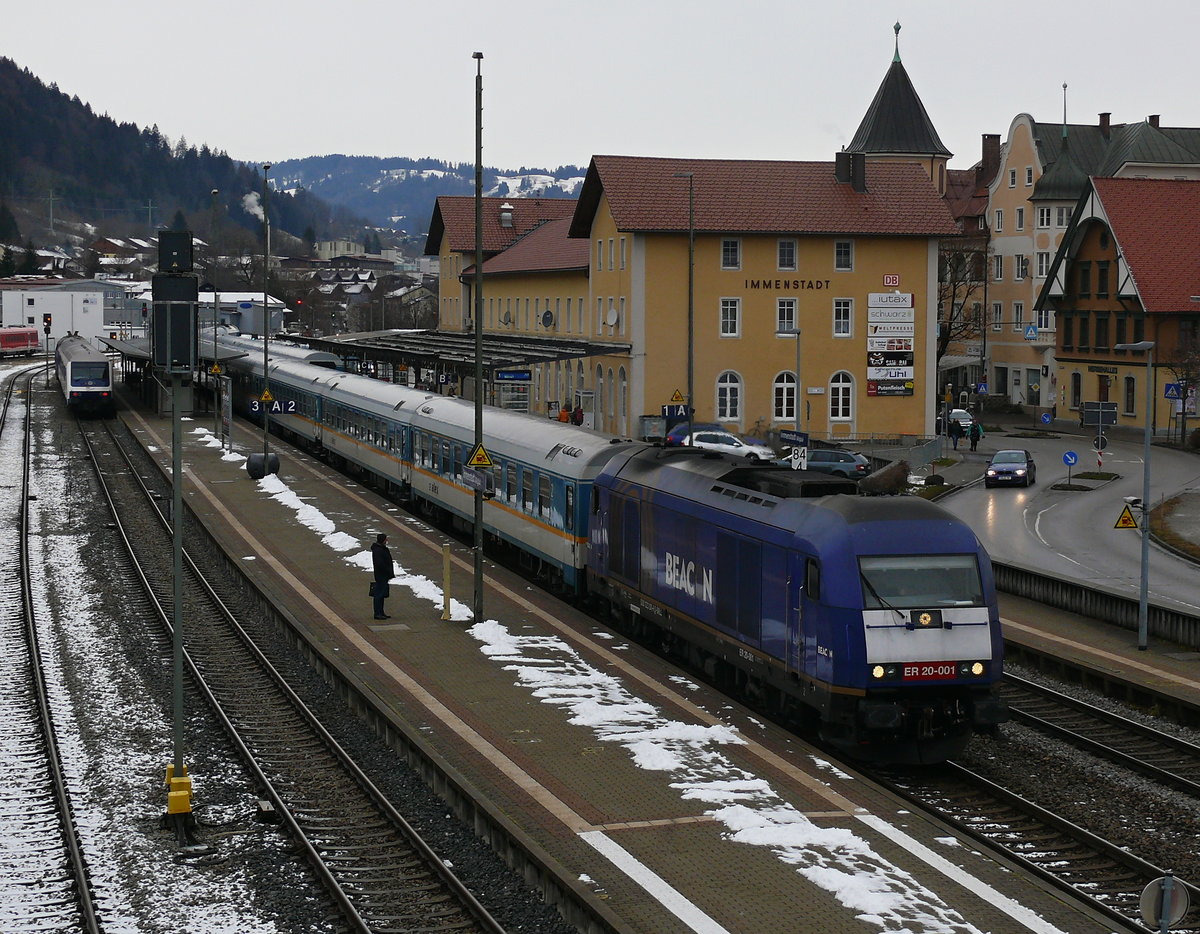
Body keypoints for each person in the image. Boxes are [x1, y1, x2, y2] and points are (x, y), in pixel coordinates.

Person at [371, 533, 394, 620]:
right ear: (383, 540)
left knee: (382, 594)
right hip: (381, 575)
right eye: (385, 539)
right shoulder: (378, 550)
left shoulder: (381, 549)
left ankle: (381, 612)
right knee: (379, 595)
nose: (387, 541)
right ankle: (378, 613)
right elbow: (380, 564)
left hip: (383, 575)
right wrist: (387, 570)